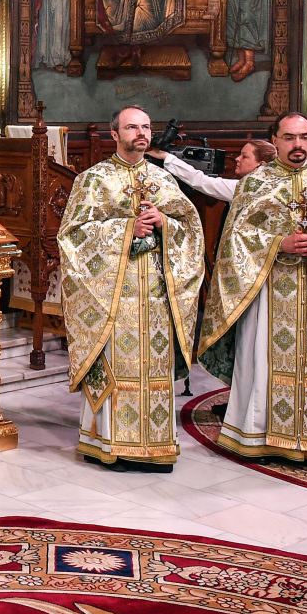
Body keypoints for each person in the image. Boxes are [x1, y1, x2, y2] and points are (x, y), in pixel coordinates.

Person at [197, 112, 307, 463]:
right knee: (262, 363)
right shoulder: (254, 185)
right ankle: (256, 437)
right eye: (290, 137)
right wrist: (278, 244)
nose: (298, 145)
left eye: (304, 137)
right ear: (274, 140)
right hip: (266, 295)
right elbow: (234, 243)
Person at [57, 105, 205, 471]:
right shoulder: (93, 180)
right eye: (132, 127)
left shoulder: (163, 180)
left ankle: (155, 446)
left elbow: (191, 229)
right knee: (117, 368)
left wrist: (164, 223)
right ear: (115, 134)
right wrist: (126, 230)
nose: (141, 134)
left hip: (156, 294)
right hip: (113, 296)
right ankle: (110, 444)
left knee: (154, 369)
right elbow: (72, 236)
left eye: (146, 127)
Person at [147, 138, 275, 203]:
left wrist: (167, 157)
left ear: (261, 165)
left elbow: (201, 181)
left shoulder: (248, 188)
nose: (237, 158)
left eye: (245, 156)